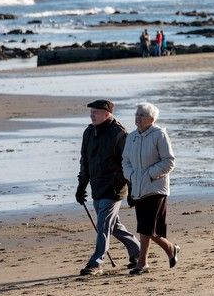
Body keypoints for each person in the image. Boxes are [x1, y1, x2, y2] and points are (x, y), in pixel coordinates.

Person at [75, 99, 139, 275]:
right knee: (114, 226)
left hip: (114, 188)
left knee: (103, 224)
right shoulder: (89, 132)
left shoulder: (119, 133)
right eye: (91, 112)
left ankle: (96, 262)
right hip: (97, 187)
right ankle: (138, 251)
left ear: (107, 114)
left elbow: (128, 163)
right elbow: (85, 161)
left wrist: (132, 189)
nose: (92, 115)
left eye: (96, 112)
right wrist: (81, 186)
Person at [121, 101, 179, 274]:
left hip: (156, 188)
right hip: (138, 188)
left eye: (142, 115)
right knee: (145, 227)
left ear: (151, 119)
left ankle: (143, 262)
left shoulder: (159, 134)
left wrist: (149, 174)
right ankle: (169, 249)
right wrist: (131, 175)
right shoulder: (131, 137)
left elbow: (169, 161)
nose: (137, 118)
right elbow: (125, 161)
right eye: (136, 115)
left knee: (147, 227)